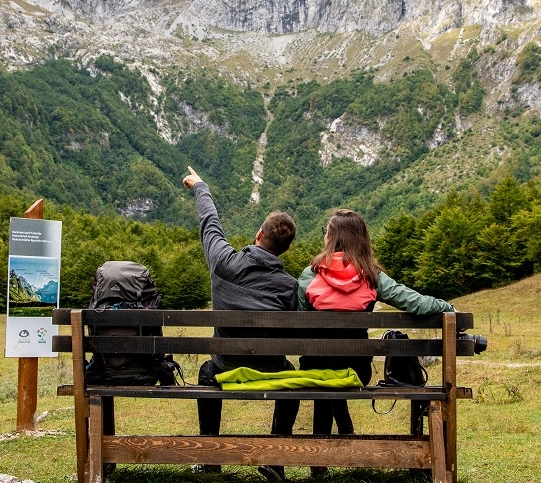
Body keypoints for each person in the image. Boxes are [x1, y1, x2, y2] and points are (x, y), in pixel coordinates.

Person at [297, 208, 454, 472]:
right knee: (336, 373)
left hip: (315, 368)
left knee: (322, 370)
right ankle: (344, 436)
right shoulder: (372, 276)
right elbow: (414, 302)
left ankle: (319, 463)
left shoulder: (309, 275)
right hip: (356, 369)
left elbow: (300, 324)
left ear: (331, 237)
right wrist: (447, 307)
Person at [182, 166, 300, 481]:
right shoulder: (289, 286)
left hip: (225, 368)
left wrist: (200, 187)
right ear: (285, 249)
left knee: (207, 371)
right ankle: (275, 458)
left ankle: (210, 458)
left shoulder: (223, 263)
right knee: (293, 375)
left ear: (258, 236)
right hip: (272, 371)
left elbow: (211, 225)